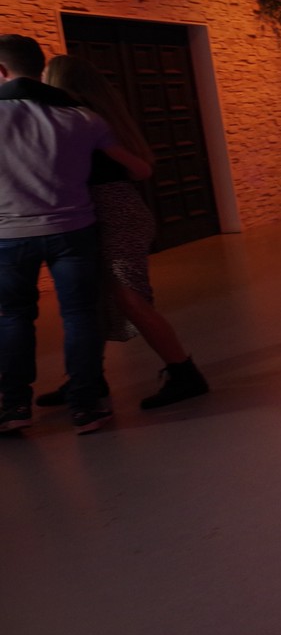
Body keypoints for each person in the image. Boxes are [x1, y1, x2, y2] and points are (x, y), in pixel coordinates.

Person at [0, 34, 152, 436]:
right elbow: (135, 166)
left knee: (14, 317)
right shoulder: (84, 118)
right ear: (40, 68)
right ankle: (86, 406)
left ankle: (14, 406)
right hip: (74, 232)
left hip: (9, 235)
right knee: (80, 314)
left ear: (1, 70)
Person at [40, 55, 209, 410]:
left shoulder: (79, 119)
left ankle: (184, 372)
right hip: (113, 211)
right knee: (95, 299)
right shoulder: (97, 116)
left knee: (129, 298)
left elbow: (140, 168)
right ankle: (88, 376)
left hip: (115, 215)